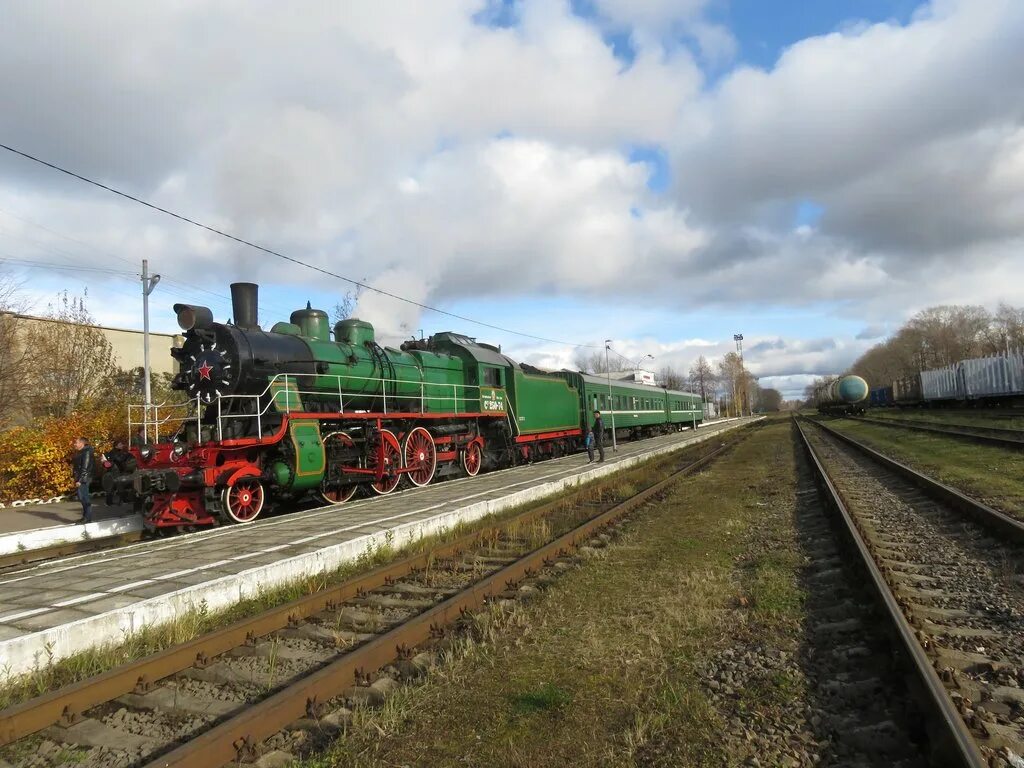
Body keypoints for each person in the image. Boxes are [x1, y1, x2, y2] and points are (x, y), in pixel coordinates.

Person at [72, 436, 95, 524]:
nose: (75, 444)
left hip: (84, 478)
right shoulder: (81, 452)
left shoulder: (87, 452)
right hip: (81, 477)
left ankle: (87, 518)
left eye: (76, 443)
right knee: (82, 497)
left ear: (82, 443)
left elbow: (85, 468)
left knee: (84, 497)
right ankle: (85, 517)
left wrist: (80, 480)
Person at [102, 439, 131, 506]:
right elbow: (119, 460)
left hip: (115, 471)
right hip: (114, 472)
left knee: (114, 487)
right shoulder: (114, 452)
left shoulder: (117, 452)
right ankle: (119, 500)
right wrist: (126, 456)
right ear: (116, 446)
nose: (122, 445)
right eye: (120, 444)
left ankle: (110, 502)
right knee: (117, 486)